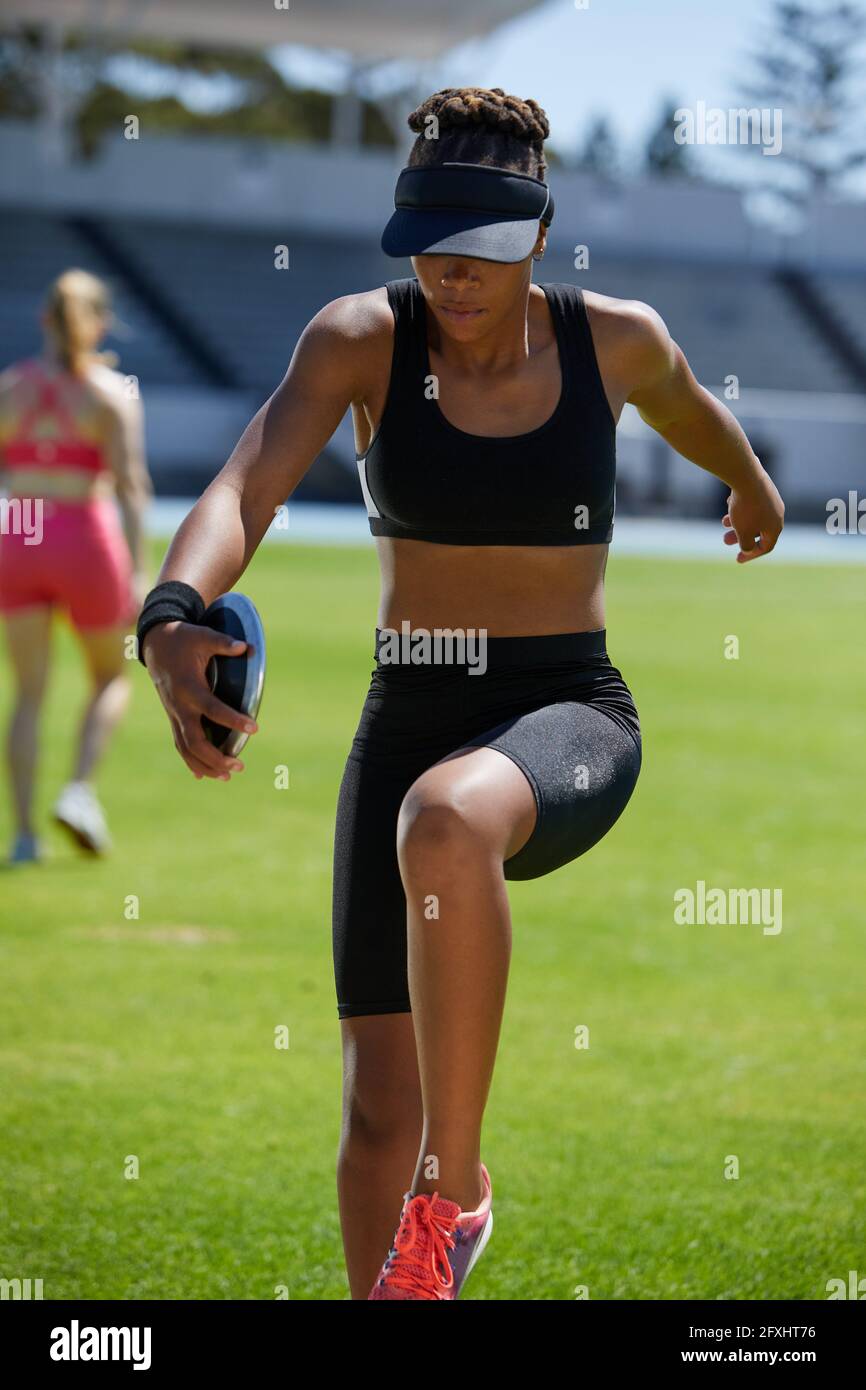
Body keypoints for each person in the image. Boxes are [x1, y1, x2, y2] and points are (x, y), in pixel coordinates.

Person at [137, 87, 784, 1300]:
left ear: (538, 233)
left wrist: (750, 489)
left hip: (567, 713)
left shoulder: (616, 339)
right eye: (429, 243)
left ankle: (456, 1193)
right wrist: (169, 613)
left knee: (446, 820)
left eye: (481, 247)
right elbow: (245, 488)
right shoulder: (355, 340)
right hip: (407, 714)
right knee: (376, 1104)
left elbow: (695, 412)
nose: (452, 272)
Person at [0, 268, 152, 862]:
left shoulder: (11, 387)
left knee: (29, 693)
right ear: (101, 325)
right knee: (111, 674)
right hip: (82, 532)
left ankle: (23, 836)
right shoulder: (112, 393)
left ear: (44, 320)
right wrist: (140, 571)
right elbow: (132, 485)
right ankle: (79, 791)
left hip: (21, 528)